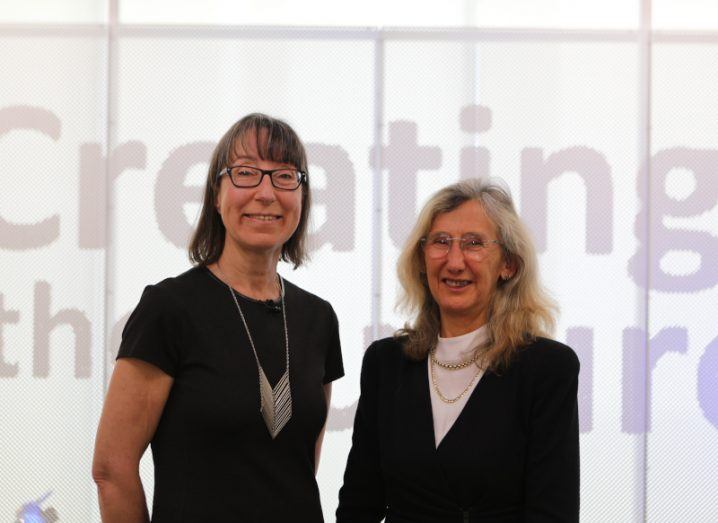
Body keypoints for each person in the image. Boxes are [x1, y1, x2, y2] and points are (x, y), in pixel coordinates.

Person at [92, 113, 344, 522]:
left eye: (284, 176)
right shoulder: (169, 309)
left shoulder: (318, 319)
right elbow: (111, 470)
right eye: (246, 173)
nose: (265, 193)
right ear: (215, 193)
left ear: (302, 196)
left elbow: (297, 465)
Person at [337, 178, 580, 522]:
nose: (454, 262)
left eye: (473, 244)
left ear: (508, 264)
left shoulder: (548, 369)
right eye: (440, 242)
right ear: (421, 259)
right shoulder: (385, 363)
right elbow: (359, 504)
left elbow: (553, 514)